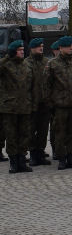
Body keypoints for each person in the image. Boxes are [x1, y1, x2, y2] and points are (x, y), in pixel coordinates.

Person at [43, 36, 72, 170]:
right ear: (60, 48)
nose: (71, 48)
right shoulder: (52, 64)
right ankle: (61, 158)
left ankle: (71, 157)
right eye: (68, 46)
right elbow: (46, 85)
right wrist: (49, 103)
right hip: (60, 104)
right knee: (60, 133)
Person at [0, 40, 34, 173]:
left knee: (24, 134)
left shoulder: (26, 65)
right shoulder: (6, 65)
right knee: (11, 135)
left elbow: (31, 85)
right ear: (14, 52)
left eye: (22, 49)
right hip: (10, 107)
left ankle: (22, 161)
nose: (22, 51)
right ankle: (13, 162)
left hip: (24, 105)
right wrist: (7, 57)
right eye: (19, 50)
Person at [25, 38, 50, 166]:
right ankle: (33, 154)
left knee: (43, 130)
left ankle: (40, 153)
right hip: (31, 103)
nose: (41, 48)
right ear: (32, 48)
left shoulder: (46, 62)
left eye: (42, 46)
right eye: (38, 46)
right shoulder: (26, 63)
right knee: (31, 130)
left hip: (44, 102)